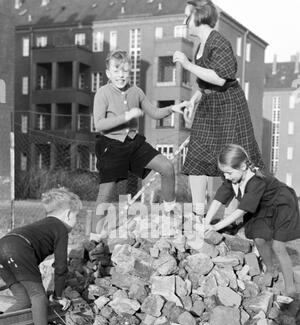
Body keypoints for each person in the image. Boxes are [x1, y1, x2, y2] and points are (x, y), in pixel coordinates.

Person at [173, 0, 264, 218]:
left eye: (187, 17)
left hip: (228, 108)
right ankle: (198, 215)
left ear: (199, 17)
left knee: (231, 163)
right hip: (209, 106)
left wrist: (186, 64)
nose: (184, 21)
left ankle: (232, 222)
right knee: (197, 159)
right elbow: (207, 80)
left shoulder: (219, 42)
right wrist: (195, 97)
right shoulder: (201, 44)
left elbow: (221, 78)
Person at [93, 49, 187, 235]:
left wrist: (171, 108)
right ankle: (94, 236)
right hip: (111, 146)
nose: (121, 75)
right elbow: (99, 125)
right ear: (108, 73)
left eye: (125, 71)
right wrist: (126, 116)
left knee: (167, 167)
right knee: (105, 194)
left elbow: (154, 112)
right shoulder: (102, 93)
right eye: (117, 70)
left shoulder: (136, 91)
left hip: (134, 143)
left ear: (130, 72)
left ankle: (170, 213)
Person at [204, 144, 300, 301]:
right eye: (224, 173)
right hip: (262, 206)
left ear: (242, 166)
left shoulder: (256, 182)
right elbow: (219, 199)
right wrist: (206, 221)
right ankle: (271, 270)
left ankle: (290, 290)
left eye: (229, 172)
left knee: (278, 246)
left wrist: (215, 227)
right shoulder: (233, 178)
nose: (226, 177)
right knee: (259, 238)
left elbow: (241, 211)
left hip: (282, 205)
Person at [0, 187, 82, 325]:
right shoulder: (60, 228)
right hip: (18, 248)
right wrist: (59, 295)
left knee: (24, 299)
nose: (76, 221)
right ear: (68, 214)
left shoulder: (43, 225)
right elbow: (60, 266)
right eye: (77, 216)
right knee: (38, 296)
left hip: (4, 245)